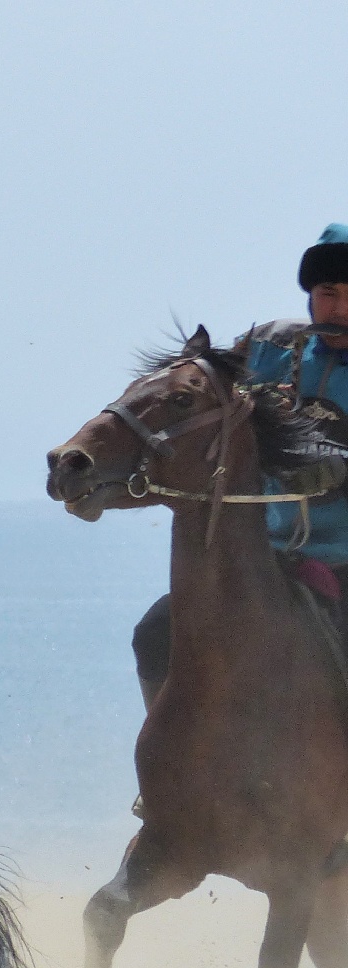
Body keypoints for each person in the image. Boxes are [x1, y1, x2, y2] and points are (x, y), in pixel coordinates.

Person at [132, 223, 348, 701]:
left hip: (345, 562)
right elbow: (208, 397)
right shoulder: (270, 346)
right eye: (329, 292)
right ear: (310, 293)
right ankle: (168, 754)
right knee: (156, 633)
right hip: (264, 558)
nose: (342, 309)